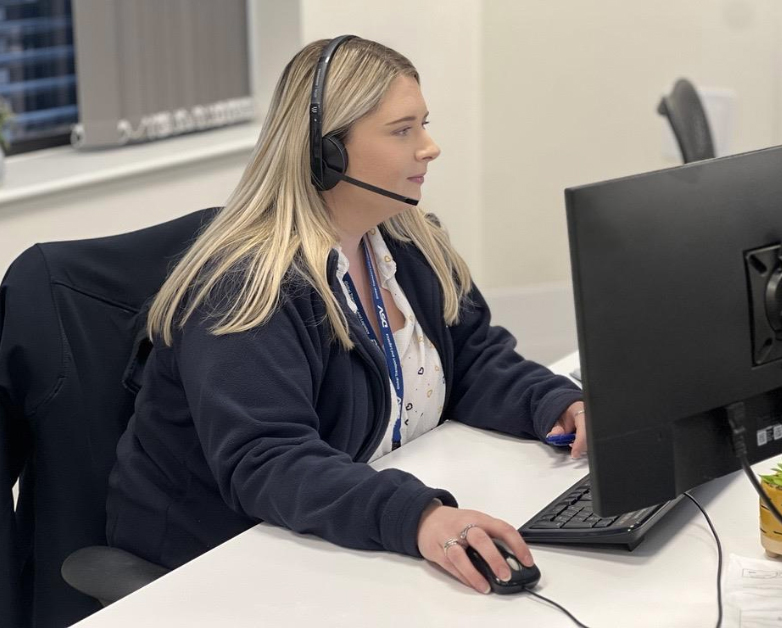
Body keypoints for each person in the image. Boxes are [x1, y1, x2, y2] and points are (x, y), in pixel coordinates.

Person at [106, 35, 585, 595]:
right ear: (326, 152)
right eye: (403, 130)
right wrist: (421, 518)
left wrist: (558, 403)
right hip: (222, 565)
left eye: (424, 124)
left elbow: (473, 360)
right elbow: (270, 460)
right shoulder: (246, 288)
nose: (429, 147)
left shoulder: (408, 242)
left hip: (338, 544)